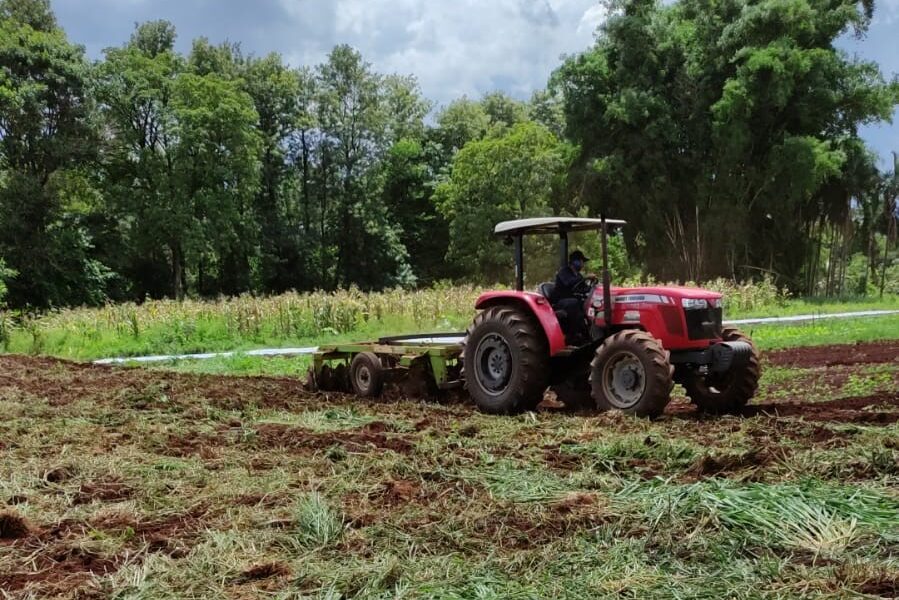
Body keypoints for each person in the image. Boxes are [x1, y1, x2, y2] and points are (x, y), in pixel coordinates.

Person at [551, 250, 592, 343]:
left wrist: (592, 289)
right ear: (575, 262)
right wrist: (586, 277)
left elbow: (584, 288)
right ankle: (574, 334)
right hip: (560, 301)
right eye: (582, 261)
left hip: (572, 300)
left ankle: (589, 331)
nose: (583, 264)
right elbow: (569, 283)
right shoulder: (564, 272)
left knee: (587, 302)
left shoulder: (578, 275)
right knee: (574, 303)